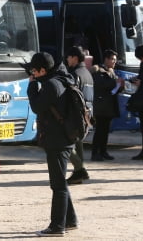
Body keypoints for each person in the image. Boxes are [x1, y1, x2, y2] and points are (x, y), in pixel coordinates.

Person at [26, 52, 78, 237]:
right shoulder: (63, 79)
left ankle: (57, 226)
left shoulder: (51, 85)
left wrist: (32, 86)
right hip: (65, 136)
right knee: (61, 181)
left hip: (57, 139)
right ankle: (70, 220)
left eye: (35, 70)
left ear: (43, 70)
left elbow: (37, 106)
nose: (33, 73)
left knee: (57, 185)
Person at [63, 46, 92, 184]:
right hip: (87, 114)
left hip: (76, 114)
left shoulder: (75, 74)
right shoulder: (87, 73)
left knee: (65, 144)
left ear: (74, 58)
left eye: (68, 57)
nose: (67, 60)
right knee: (78, 143)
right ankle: (78, 173)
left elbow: (71, 96)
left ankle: (80, 169)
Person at [91, 49, 124, 162]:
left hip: (109, 105)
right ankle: (95, 153)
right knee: (99, 130)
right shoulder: (98, 70)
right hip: (101, 105)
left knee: (105, 130)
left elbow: (115, 89)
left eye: (115, 60)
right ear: (106, 59)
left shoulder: (112, 71)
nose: (114, 62)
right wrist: (116, 82)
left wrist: (121, 85)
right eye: (112, 59)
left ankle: (103, 151)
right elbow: (101, 85)